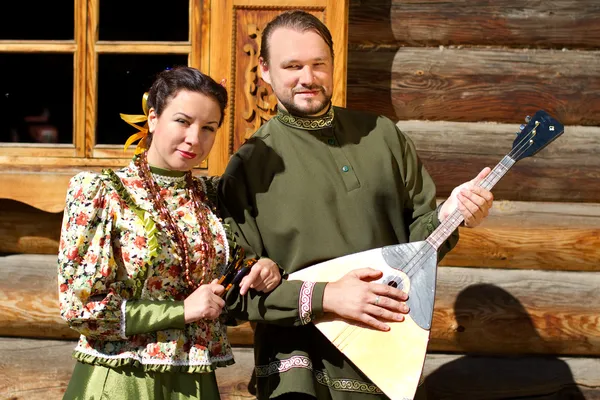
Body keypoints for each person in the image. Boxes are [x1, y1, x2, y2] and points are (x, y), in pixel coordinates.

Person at [218, 10, 494, 400]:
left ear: (333, 64)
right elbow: (236, 291)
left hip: (382, 356)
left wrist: (450, 216)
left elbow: (417, 245)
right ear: (263, 70)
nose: (308, 78)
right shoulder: (249, 164)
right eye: (292, 66)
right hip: (298, 373)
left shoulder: (383, 135)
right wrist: (327, 296)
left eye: (318, 64)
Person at [57, 66, 281, 400]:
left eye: (209, 128)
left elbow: (225, 284)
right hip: (122, 378)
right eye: (182, 121)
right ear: (152, 118)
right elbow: (81, 308)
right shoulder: (102, 192)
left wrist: (261, 268)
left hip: (193, 380)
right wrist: (181, 311)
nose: (195, 138)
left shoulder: (211, 197)